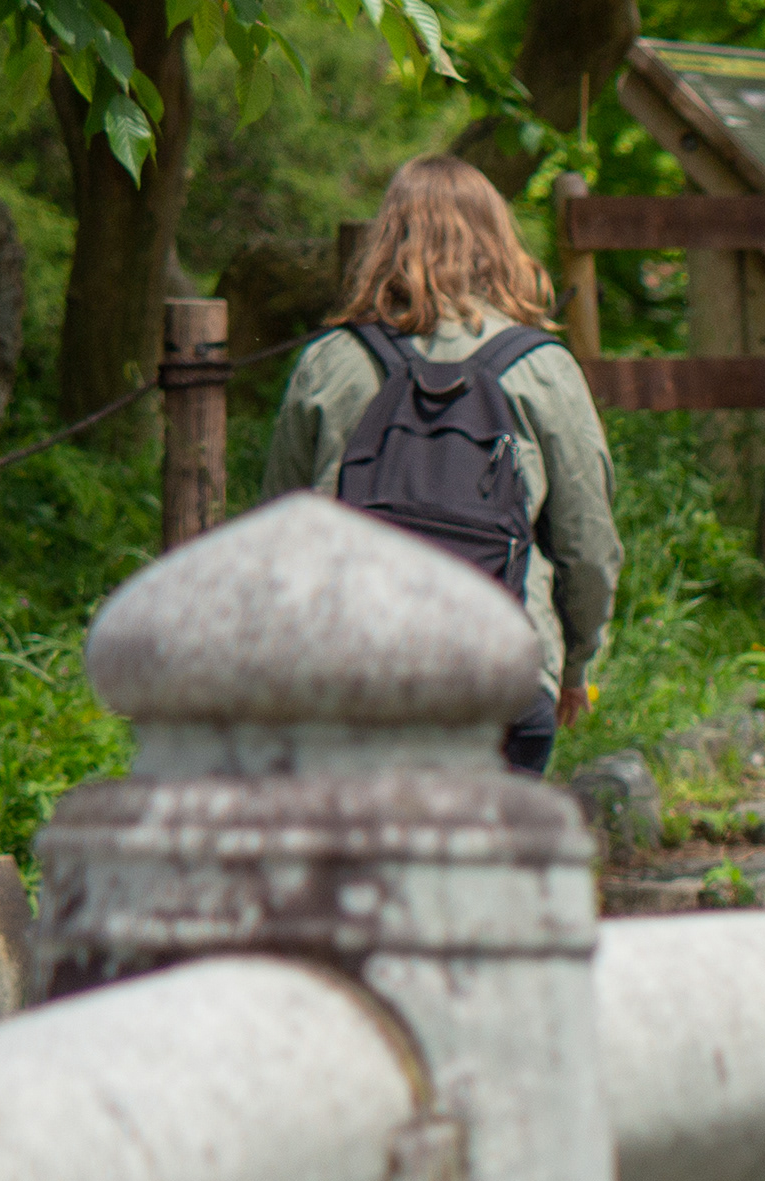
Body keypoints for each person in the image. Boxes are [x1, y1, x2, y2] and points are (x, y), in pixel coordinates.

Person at [266, 156, 620, 774]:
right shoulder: (542, 367)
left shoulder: (328, 362)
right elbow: (587, 540)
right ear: (498, 243)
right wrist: (575, 664)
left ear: (385, 242)